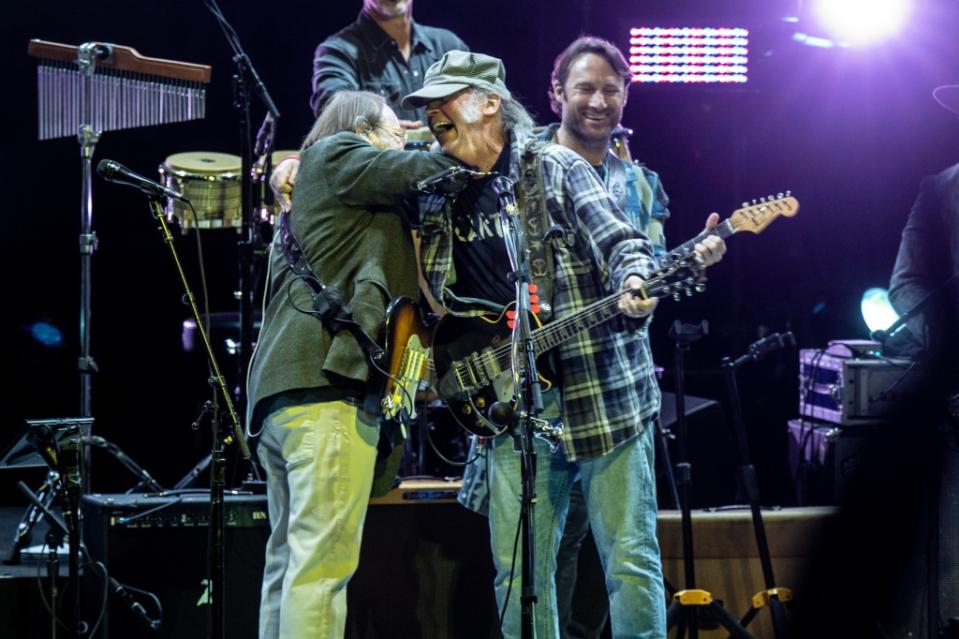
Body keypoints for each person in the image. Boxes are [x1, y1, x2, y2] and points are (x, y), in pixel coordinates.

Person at [402, 50, 725, 638]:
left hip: (601, 387)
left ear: (489, 104)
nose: (431, 116)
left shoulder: (554, 166)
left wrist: (634, 279)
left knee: (629, 561)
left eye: (443, 103)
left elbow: (622, 240)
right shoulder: (435, 186)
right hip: (509, 402)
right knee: (518, 572)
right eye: (427, 107)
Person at [246, 90, 458, 639]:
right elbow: (421, 168)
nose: (400, 141)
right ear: (363, 129)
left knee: (288, 565)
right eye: (392, 132)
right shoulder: (339, 154)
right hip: (324, 393)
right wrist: (456, 138)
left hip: (287, 398)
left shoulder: (318, 191)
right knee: (321, 570)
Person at [310, 0, 468, 127]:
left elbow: (483, 97)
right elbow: (333, 105)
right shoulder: (338, 51)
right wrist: (379, 123)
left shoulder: (448, 45)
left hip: (448, 163)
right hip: (383, 164)